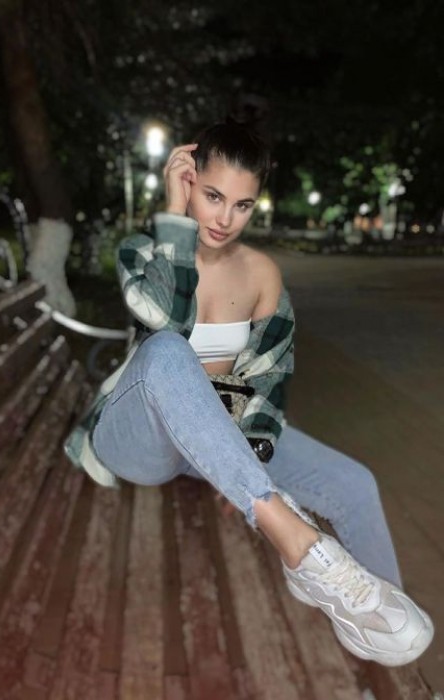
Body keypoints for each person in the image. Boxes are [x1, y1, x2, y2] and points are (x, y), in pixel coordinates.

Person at [65, 121, 433, 667]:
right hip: (138, 436)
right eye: (213, 196)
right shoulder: (142, 251)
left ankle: (382, 632)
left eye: (242, 205)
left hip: (219, 435)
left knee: (356, 484)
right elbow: (166, 318)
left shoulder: (261, 274)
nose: (224, 219)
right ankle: (297, 543)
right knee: (168, 351)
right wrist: (174, 216)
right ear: (188, 181)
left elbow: (268, 380)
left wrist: (244, 461)